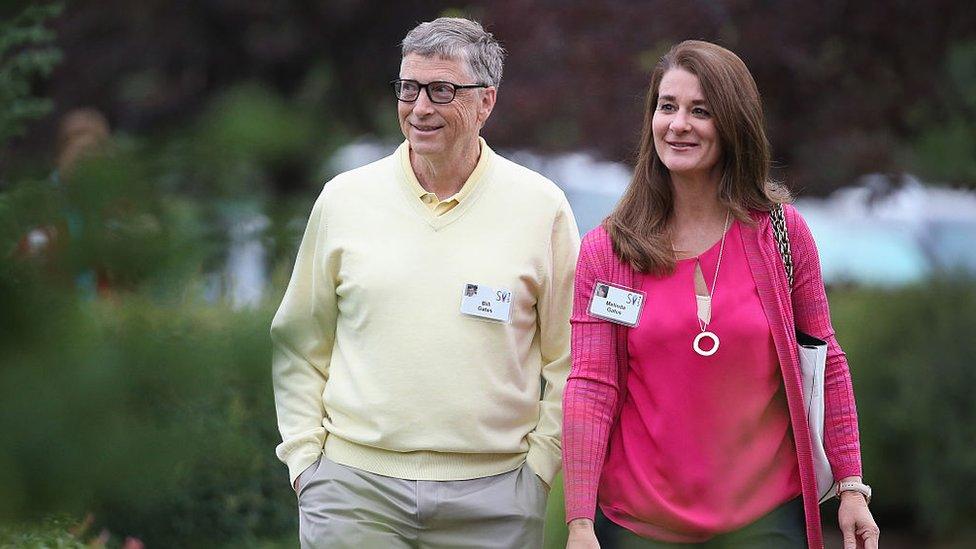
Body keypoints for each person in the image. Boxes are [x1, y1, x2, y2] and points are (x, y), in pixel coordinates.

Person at [271, 17, 580, 548]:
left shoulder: (540, 206)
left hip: (496, 499)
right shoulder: (344, 199)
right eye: (409, 88)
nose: (420, 108)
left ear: (486, 101)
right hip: (353, 495)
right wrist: (306, 463)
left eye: (442, 90)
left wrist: (539, 470)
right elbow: (300, 339)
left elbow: (568, 355)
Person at [562, 41, 880, 549]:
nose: (678, 124)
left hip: (765, 524)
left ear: (733, 125)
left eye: (700, 111)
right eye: (667, 107)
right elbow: (591, 387)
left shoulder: (782, 233)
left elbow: (827, 360)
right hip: (640, 528)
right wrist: (578, 522)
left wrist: (851, 488)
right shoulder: (610, 249)